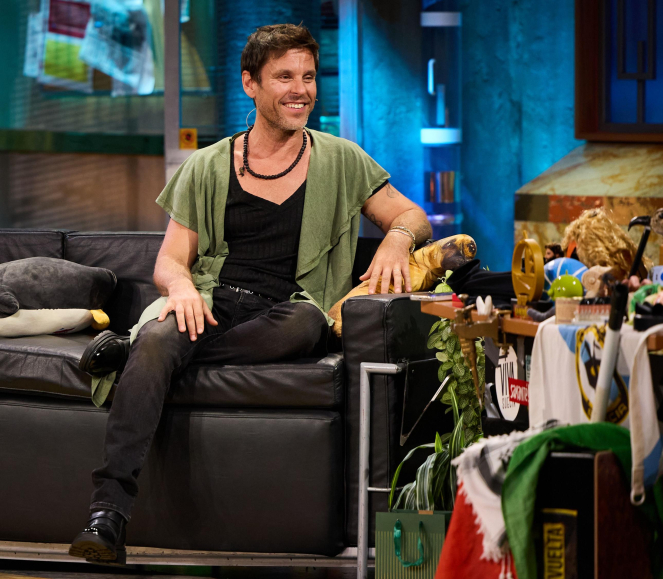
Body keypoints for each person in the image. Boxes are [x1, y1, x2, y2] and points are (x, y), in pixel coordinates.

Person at [68, 23, 432, 564]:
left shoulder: (341, 159)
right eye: (284, 77)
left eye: (308, 77)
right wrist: (182, 287)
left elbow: (411, 215)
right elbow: (169, 261)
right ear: (250, 84)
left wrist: (398, 239)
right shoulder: (208, 164)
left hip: (286, 311)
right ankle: (108, 515)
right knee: (162, 338)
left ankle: (135, 351)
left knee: (305, 325)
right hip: (212, 303)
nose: (301, 90)